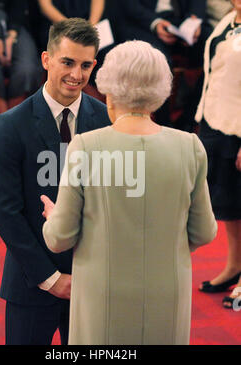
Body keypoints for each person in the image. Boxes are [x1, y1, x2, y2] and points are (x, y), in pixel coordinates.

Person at [41, 40, 217, 345]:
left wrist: (53, 217)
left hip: (103, 296)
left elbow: (59, 238)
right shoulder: (189, 146)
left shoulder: (86, 146)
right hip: (167, 292)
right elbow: (203, 232)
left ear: (109, 91)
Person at [0, 18, 110, 345]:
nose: (76, 74)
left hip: (93, 282)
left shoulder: (108, 121)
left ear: (95, 65)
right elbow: (6, 212)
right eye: (67, 62)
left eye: (86, 65)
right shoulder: (11, 125)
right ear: (46, 59)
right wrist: (50, 278)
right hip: (31, 282)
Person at [195, 1, 241, 309]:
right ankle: (235, 265)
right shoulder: (229, 19)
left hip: (238, 127)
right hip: (215, 120)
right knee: (231, 205)